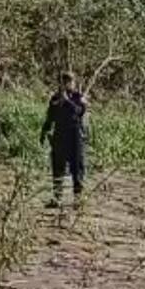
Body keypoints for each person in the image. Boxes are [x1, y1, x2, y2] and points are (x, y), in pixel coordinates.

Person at [40, 71, 88, 206]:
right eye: (64, 81)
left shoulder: (79, 97)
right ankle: (57, 198)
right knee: (57, 166)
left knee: (77, 168)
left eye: (70, 81)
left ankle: (78, 199)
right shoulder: (55, 98)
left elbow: (79, 111)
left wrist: (67, 101)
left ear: (74, 83)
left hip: (75, 136)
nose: (67, 84)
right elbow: (50, 117)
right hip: (60, 135)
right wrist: (44, 132)